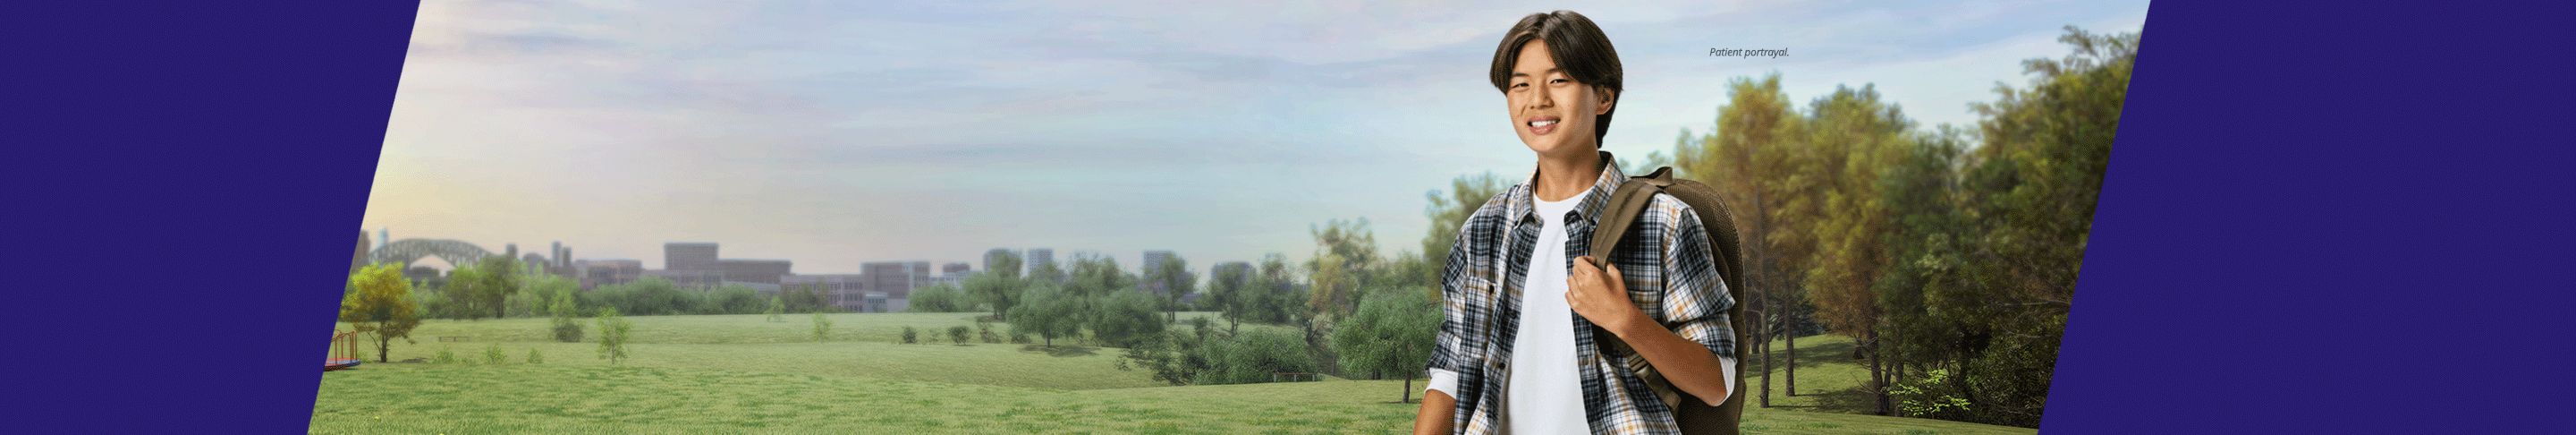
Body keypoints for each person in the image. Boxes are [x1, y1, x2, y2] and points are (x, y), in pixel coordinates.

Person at [1413, 11, 1736, 435]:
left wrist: (1627, 321)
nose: (1538, 99)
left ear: (1603, 96)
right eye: (1520, 84)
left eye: (1559, 80)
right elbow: (1451, 376)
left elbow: (1717, 383)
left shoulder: (1665, 223)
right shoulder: (1482, 231)